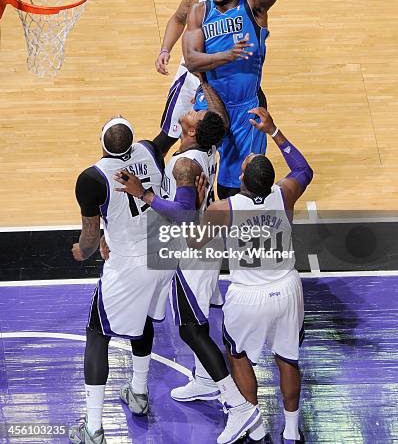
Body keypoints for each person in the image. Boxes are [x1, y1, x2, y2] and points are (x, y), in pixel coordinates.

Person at [114, 82, 265, 444]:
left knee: (190, 329)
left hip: (192, 250)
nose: (193, 109)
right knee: (196, 321)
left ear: (193, 130)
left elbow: (182, 217)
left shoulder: (184, 163)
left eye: (197, 113)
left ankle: (239, 407)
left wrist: (145, 194)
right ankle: (203, 380)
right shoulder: (205, 146)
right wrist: (207, 81)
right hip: (206, 243)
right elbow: (221, 121)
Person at [197, 106, 313, 443]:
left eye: (245, 166)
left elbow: (195, 240)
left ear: (244, 181)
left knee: (239, 356)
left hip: (248, 295)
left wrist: (203, 197)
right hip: (287, 289)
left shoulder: (225, 209)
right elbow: (303, 168)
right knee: (288, 357)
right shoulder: (285, 194)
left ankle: (255, 424)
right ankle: (291, 431)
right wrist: (274, 131)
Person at [183, 0, 295, 199]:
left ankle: (232, 225)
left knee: (235, 186)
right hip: (212, 101)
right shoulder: (199, 11)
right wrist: (226, 55)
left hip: (247, 105)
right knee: (189, 170)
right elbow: (192, 61)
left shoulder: (253, 8)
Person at [69, 117, 172, 444]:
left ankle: (94, 428)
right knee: (144, 318)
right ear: (131, 142)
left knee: (97, 335)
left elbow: (88, 236)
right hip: (162, 253)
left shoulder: (91, 178)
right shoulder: (150, 151)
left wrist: (82, 252)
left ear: (101, 144)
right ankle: (139, 393)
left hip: (128, 263)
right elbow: (165, 137)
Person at [154, 0, 248, 156]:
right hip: (192, 78)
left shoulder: (248, 3)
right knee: (169, 136)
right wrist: (165, 50)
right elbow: (179, 19)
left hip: (224, 84)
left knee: (216, 144)